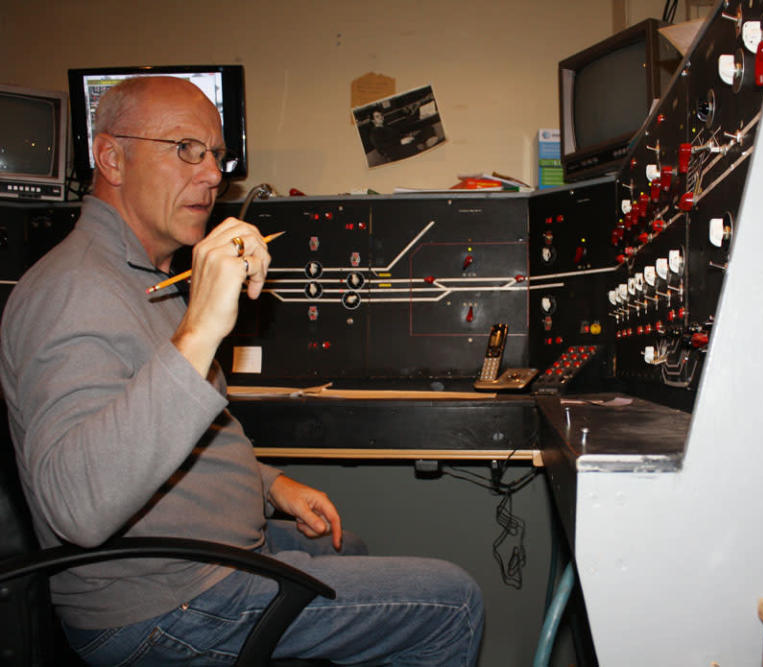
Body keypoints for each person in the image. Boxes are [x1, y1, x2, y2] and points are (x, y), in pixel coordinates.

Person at [0, 76, 483, 665]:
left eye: (217, 156)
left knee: (345, 545)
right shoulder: (72, 290)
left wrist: (271, 484)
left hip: (195, 561)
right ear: (111, 158)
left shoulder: (147, 278)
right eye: (186, 150)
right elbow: (77, 507)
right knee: (451, 602)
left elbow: (184, 434)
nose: (211, 175)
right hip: (158, 608)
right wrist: (200, 331)